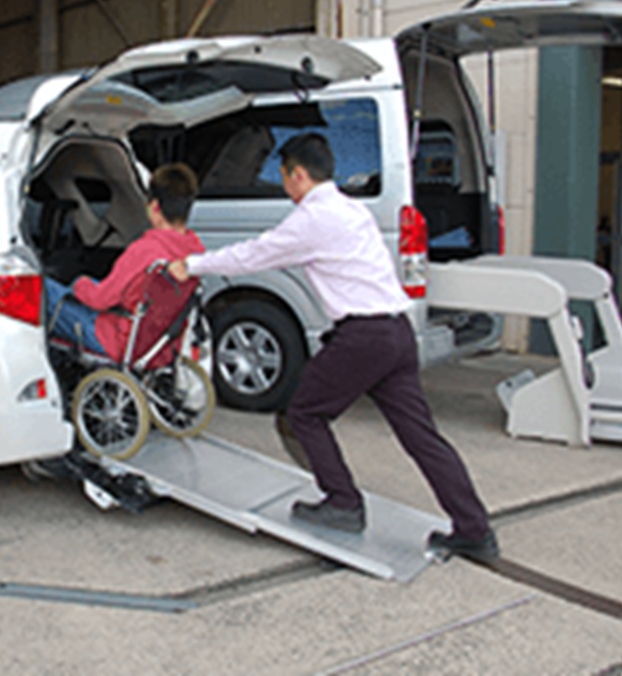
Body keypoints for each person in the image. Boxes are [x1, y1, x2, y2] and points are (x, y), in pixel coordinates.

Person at [168, 133, 497, 562]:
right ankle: (474, 530)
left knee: (303, 413)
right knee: (421, 437)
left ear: (298, 175)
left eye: (284, 176)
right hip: (395, 332)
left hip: (363, 337)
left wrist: (191, 265)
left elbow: (254, 255)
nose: (284, 186)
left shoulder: (313, 219)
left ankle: (343, 502)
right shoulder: (352, 209)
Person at [45, 163, 204, 362]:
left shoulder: (145, 250)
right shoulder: (196, 252)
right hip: (159, 345)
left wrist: (79, 283)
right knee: (90, 285)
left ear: (155, 206)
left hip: (117, 340)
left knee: (44, 289)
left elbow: (100, 300)